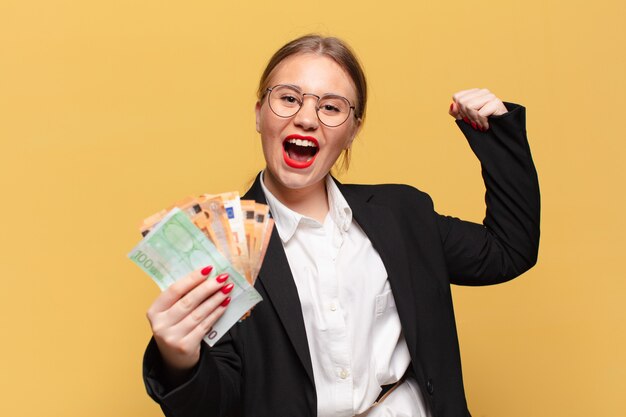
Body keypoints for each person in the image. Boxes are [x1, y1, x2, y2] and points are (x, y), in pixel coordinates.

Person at [142, 35, 540, 417]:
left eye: (331, 107)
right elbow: (218, 404)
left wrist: (496, 134)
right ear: (259, 113)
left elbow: (509, 251)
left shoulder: (403, 214)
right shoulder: (220, 245)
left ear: (352, 130)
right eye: (288, 99)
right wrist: (179, 359)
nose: (306, 118)